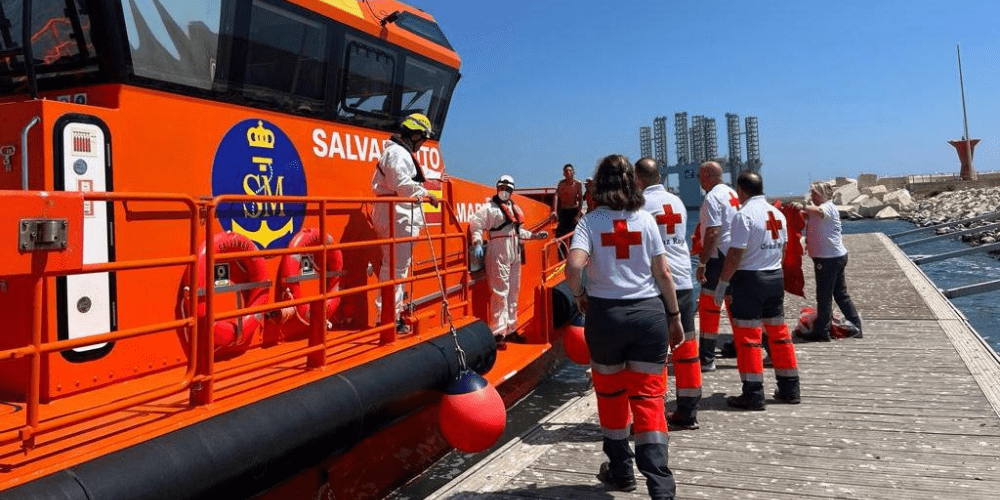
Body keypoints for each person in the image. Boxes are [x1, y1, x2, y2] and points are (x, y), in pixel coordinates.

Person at [566, 154, 683, 499]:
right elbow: (664, 274)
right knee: (649, 400)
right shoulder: (645, 220)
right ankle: (660, 486)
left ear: (599, 184)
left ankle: (621, 472)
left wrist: (579, 294)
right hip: (649, 316)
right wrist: (675, 318)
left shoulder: (590, 221)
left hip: (605, 318)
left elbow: (573, 267)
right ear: (632, 182)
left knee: (612, 396)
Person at [716, 171, 801, 410]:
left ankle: (753, 393)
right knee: (780, 335)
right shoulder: (777, 214)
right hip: (775, 277)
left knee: (748, 338)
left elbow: (735, 254)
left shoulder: (743, 216)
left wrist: (723, 283)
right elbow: (783, 249)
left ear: (742, 190)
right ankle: (790, 388)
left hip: (750, 280)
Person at [634, 158, 700, 431]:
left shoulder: (642, 207)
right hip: (684, 280)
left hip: (659, 285)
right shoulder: (677, 202)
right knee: (687, 349)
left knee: (655, 354)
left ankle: (655, 413)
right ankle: (688, 411)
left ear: (638, 179)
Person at [371, 113, 440, 333]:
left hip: (393, 213)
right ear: (416, 134)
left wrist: (435, 177)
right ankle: (390, 319)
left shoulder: (396, 153)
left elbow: (406, 175)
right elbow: (401, 182)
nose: (423, 143)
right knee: (396, 269)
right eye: (423, 138)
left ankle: (388, 316)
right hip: (396, 214)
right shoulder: (398, 153)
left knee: (391, 267)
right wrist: (426, 193)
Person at [469, 175, 548, 344]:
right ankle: (498, 332)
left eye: (508, 189)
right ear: (498, 188)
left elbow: (518, 231)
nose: (504, 192)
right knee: (500, 291)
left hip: (514, 250)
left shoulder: (513, 208)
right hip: (498, 248)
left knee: (513, 290)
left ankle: (511, 328)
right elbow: (476, 223)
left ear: (512, 191)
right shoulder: (489, 208)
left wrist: (534, 236)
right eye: (502, 188)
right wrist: (476, 241)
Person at [791, 183, 863, 341]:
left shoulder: (828, 207)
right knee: (840, 294)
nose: (812, 196)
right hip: (835, 256)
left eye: (815, 193)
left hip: (828, 259)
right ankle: (856, 326)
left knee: (824, 296)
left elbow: (818, 212)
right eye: (811, 193)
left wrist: (803, 205)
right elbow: (809, 218)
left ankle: (822, 331)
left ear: (824, 195)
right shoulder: (820, 209)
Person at [694, 161, 740, 372]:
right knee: (735, 305)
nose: (699, 181)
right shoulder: (732, 194)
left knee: (708, 308)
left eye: (700, 176)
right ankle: (745, 346)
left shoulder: (712, 197)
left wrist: (702, 263)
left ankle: (706, 358)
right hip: (736, 255)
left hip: (718, 258)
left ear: (707, 175)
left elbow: (713, 232)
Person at [552, 163, 583, 239]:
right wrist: (555, 211)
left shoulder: (577, 184)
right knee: (560, 232)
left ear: (573, 172)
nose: (568, 172)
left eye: (569, 171)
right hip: (564, 210)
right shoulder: (562, 184)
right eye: (566, 171)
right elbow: (556, 196)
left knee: (575, 232)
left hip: (574, 210)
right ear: (564, 173)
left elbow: (581, 199)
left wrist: (578, 214)